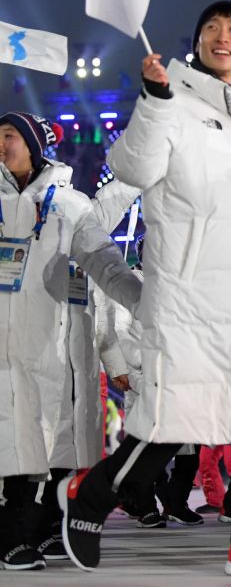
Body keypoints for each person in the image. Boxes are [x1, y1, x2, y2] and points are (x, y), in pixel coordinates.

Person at [59, 0, 231, 578]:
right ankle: (90, 496)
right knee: (172, 425)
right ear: (197, 43)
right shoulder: (173, 102)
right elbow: (133, 165)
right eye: (212, 29)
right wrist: (154, 101)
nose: (223, 37)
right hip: (194, 299)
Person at [0, 112, 142, 571]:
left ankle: (42, 531)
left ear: (36, 144)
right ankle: (8, 537)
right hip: (4, 349)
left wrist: (148, 304)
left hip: (54, 350)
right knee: (10, 437)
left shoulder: (70, 205)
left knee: (55, 441)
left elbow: (105, 263)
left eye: (10, 136)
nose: (1, 145)